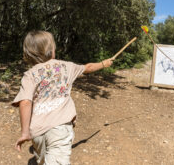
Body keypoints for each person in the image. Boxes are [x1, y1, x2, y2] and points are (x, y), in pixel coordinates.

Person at [12, 31, 113, 164]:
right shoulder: (66, 67)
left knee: (42, 161)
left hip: (36, 131)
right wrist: (104, 64)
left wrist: (25, 133)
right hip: (60, 128)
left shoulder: (29, 75)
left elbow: (25, 102)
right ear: (51, 50)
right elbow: (88, 67)